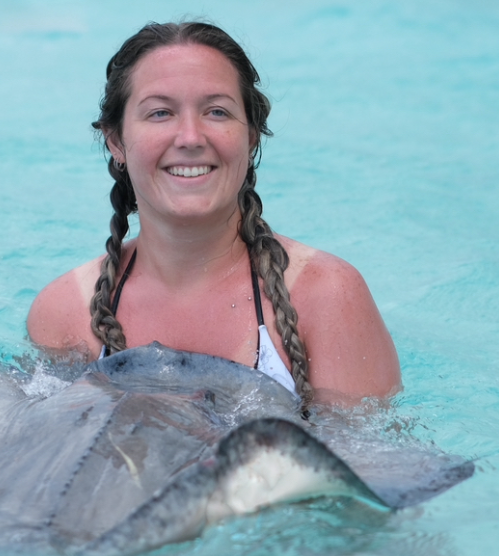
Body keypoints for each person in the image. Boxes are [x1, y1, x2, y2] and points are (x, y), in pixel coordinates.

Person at [27, 21, 399, 408]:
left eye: (217, 112)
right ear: (117, 141)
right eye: (159, 113)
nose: (190, 137)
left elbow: (374, 464)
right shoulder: (65, 311)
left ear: (251, 136)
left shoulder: (327, 296)